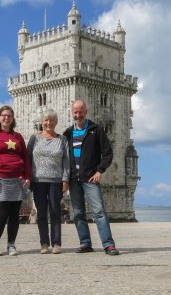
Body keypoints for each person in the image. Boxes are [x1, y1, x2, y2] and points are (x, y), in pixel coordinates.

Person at [63, 100, 119, 256]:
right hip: (74, 179)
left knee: (99, 211)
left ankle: (108, 245)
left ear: (86, 112)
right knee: (78, 213)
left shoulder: (96, 129)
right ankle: (85, 243)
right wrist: (65, 179)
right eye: (75, 112)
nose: (78, 115)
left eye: (80, 111)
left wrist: (100, 170)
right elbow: (63, 158)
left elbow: (107, 152)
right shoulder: (67, 133)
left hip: (90, 178)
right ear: (72, 113)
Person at [0, 105, 31, 256]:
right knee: (3, 214)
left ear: (13, 119)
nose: (6, 118)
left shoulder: (18, 137)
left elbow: (25, 157)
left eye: (9, 116)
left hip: (17, 180)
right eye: (4, 115)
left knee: (14, 215)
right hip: (1, 179)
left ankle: (11, 244)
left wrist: (27, 177)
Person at [28, 109, 70, 254]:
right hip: (38, 180)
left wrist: (65, 180)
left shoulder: (62, 139)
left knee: (55, 211)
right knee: (41, 213)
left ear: (56, 122)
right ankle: (44, 243)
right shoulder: (34, 138)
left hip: (56, 181)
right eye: (46, 120)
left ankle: (56, 243)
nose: (48, 123)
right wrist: (28, 178)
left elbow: (66, 161)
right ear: (42, 122)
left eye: (51, 120)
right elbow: (28, 159)